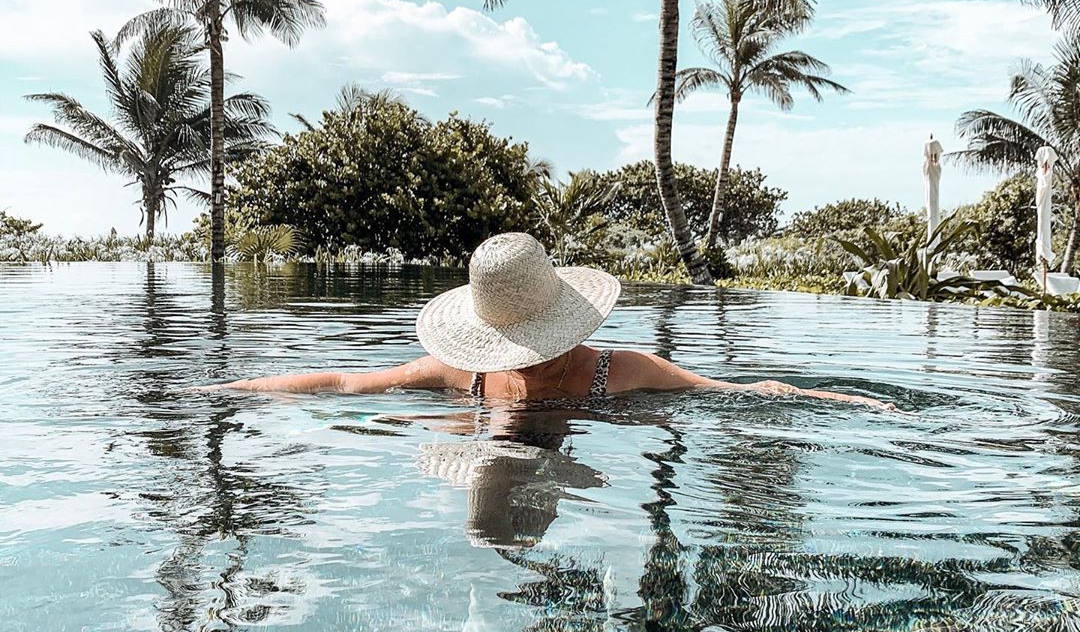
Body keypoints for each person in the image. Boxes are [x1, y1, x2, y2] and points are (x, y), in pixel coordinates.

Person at [216, 233, 894, 410]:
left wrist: (846, 399)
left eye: (531, 348)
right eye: (510, 348)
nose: (524, 362)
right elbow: (342, 383)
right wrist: (230, 393)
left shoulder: (620, 371)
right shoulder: (466, 374)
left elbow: (732, 394)